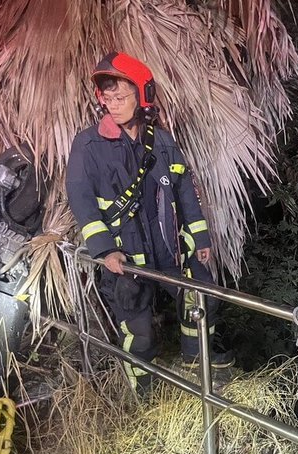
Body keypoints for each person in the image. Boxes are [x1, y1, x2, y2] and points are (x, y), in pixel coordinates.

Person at [66, 51, 233, 392]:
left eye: (121, 97)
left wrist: (200, 239)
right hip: (125, 258)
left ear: (143, 95)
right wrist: (104, 251)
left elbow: (185, 190)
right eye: (107, 97)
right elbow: (82, 202)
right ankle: (144, 393)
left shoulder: (163, 141)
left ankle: (194, 356)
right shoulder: (89, 144)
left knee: (201, 296)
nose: (113, 104)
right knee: (137, 330)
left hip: (168, 251)